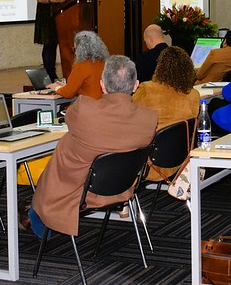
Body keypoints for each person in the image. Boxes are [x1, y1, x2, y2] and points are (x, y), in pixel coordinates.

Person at [28, 56, 158, 238]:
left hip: (80, 192)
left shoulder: (84, 108)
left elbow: (70, 120)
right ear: (136, 85)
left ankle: (37, 216)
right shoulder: (149, 118)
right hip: (122, 188)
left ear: (102, 84)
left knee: (65, 147)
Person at [133, 46, 200, 180]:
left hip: (149, 163)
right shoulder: (194, 95)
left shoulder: (147, 89)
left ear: (160, 66)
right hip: (180, 158)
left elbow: (130, 117)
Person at [34, 0, 70, 82]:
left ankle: (52, 73)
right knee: (48, 45)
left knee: (53, 45)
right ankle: (49, 74)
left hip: (56, 17)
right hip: (46, 17)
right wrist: (58, 0)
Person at [48, 31, 108, 99]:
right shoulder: (104, 63)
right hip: (104, 104)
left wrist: (56, 87)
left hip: (88, 105)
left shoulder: (81, 65)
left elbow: (68, 93)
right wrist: (66, 86)